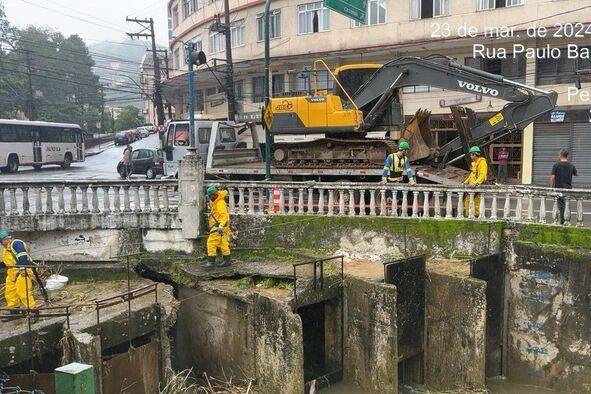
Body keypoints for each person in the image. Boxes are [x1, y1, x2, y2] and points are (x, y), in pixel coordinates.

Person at [0, 230, 36, 312]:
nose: (7, 241)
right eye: (4, 240)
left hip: (23, 272)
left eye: (8, 238)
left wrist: (22, 268)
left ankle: (33, 312)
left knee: (24, 293)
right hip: (12, 274)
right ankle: (15, 311)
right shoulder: (6, 250)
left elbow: (22, 255)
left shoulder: (16, 243)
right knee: (10, 294)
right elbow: (8, 262)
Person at [205, 185, 232, 268]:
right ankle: (227, 261)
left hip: (219, 226)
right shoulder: (215, 200)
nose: (210, 198)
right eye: (209, 196)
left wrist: (220, 226)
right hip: (221, 225)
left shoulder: (220, 203)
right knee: (223, 243)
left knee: (211, 242)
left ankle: (211, 262)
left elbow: (224, 216)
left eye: (211, 196)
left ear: (215, 194)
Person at [550, 149, 577, 224]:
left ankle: (562, 221)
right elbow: (575, 174)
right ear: (567, 156)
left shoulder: (556, 165)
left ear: (561, 155)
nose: (558, 156)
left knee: (561, 205)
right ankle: (566, 220)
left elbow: (552, 177)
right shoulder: (571, 165)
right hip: (568, 188)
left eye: (558, 154)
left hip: (559, 188)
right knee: (567, 204)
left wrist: (551, 187)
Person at [463, 145, 488, 217]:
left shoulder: (482, 162)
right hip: (472, 185)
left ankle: (474, 215)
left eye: (471, 154)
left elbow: (482, 175)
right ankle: (469, 215)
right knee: (468, 200)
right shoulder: (474, 163)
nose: (470, 156)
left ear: (475, 154)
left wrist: (475, 183)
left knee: (473, 201)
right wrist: (466, 181)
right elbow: (472, 174)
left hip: (477, 185)